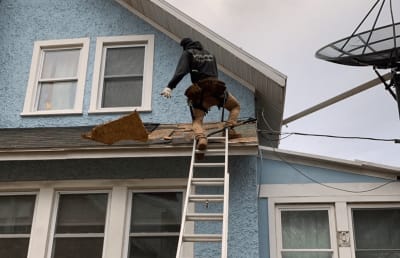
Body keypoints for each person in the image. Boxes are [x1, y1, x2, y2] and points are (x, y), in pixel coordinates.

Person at [161, 38, 241, 150]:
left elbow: (181, 71)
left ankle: (201, 138)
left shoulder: (188, 53)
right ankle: (229, 130)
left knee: (197, 121)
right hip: (216, 89)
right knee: (235, 106)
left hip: (200, 92)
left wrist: (170, 87)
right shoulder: (210, 54)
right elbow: (214, 73)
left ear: (185, 46)